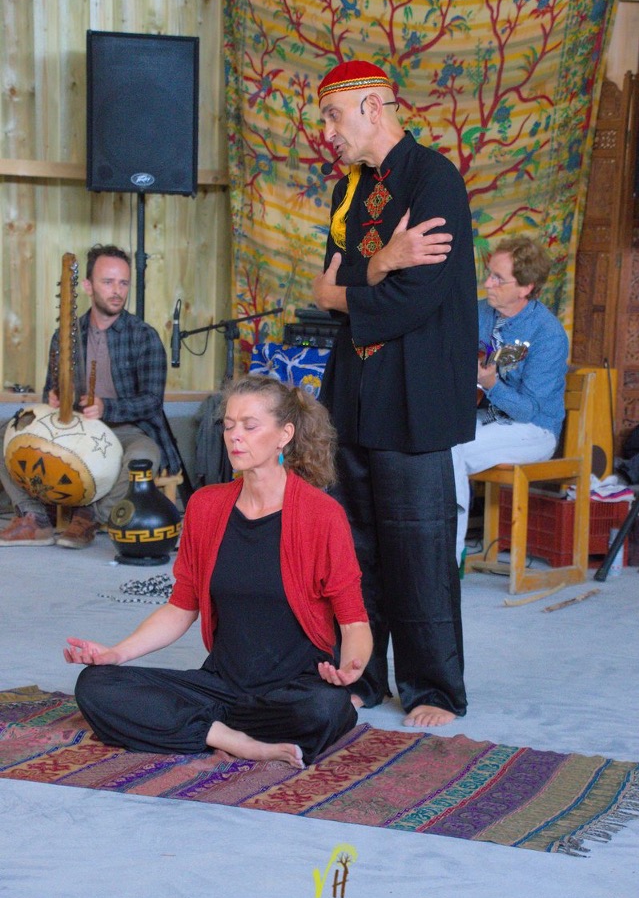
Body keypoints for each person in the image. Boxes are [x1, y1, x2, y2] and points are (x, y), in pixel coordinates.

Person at [63, 375, 373, 767]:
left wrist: (351, 667)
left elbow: (354, 623)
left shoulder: (322, 515)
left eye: (249, 425)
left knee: (324, 709)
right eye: (228, 425)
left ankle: (194, 728)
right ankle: (231, 739)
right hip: (220, 687)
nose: (234, 437)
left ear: (284, 434)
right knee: (96, 685)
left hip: (292, 693)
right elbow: (180, 608)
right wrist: (115, 653)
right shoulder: (206, 506)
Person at [312, 60, 478, 728]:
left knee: (417, 544)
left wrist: (352, 286)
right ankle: (359, 674)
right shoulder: (349, 192)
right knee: (352, 548)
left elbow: (416, 295)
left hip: (413, 392)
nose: (327, 133)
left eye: (332, 116)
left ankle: (433, 687)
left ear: (372, 108)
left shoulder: (434, 179)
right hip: (354, 391)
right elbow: (333, 278)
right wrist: (377, 264)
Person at [0, 243, 180, 550]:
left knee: (143, 457)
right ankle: (35, 519)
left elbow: (151, 401)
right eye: (107, 282)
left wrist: (106, 408)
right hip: (76, 428)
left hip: (128, 430)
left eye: (123, 283)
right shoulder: (66, 335)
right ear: (86, 286)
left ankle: (88, 517)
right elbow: (49, 389)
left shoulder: (143, 335)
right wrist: (55, 398)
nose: (117, 291)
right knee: (5, 436)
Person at [451, 236, 569, 564]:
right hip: (486, 419)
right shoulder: (480, 312)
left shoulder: (547, 335)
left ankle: (449, 558)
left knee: (451, 449)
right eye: (489, 273)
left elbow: (528, 410)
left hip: (534, 430)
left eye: (498, 278)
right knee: (433, 439)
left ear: (526, 287)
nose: (488, 283)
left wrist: (490, 382)